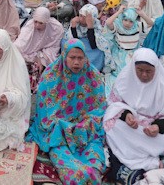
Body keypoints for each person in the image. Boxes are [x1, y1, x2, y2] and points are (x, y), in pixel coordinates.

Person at [28, 39, 107, 185]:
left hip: (85, 131)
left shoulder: (93, 76)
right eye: (72, 57)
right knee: (70, 168)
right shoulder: (51, 75)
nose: (76, 62)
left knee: (94, 161)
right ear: (64, 56)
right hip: (59, 131)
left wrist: (83, 125)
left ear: (85, 58)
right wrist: (65, 127)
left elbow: (100, 108)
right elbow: (45, 112)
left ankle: (91, 173)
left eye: (80, 58)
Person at [104, 48, 164, 181]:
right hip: (130, 128)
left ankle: (139, 159)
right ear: (133, 68)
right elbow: (115, 104)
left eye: (149, 71)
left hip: (151, 133)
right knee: (112, 125)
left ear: (156, 69)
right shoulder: (125, 78)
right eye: (140, 70)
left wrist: (157, 127)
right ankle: (150, 161)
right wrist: (126, 115)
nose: (144, 75)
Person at [14, 6, 64, 91]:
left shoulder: (56, 28)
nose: (37, 25)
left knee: (41, 66)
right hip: (28, 55)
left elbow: (54, 47)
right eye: (35, 21)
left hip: (45, 56)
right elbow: (20, 45)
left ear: (47, 21)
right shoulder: (30, 25)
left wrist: (40, 56)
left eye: (41, 23)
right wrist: (35, 57)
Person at [65, 3, 110, 72]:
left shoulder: (96, 25)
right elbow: (73, 40)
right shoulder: (76, 23)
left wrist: (90, 26)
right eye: (80, 16)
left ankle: (91, 69)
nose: (81, 19)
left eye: (85, 17)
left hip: (91, 47)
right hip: (78, 44)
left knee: (99, 52)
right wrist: (73, 26)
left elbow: (93, 45)